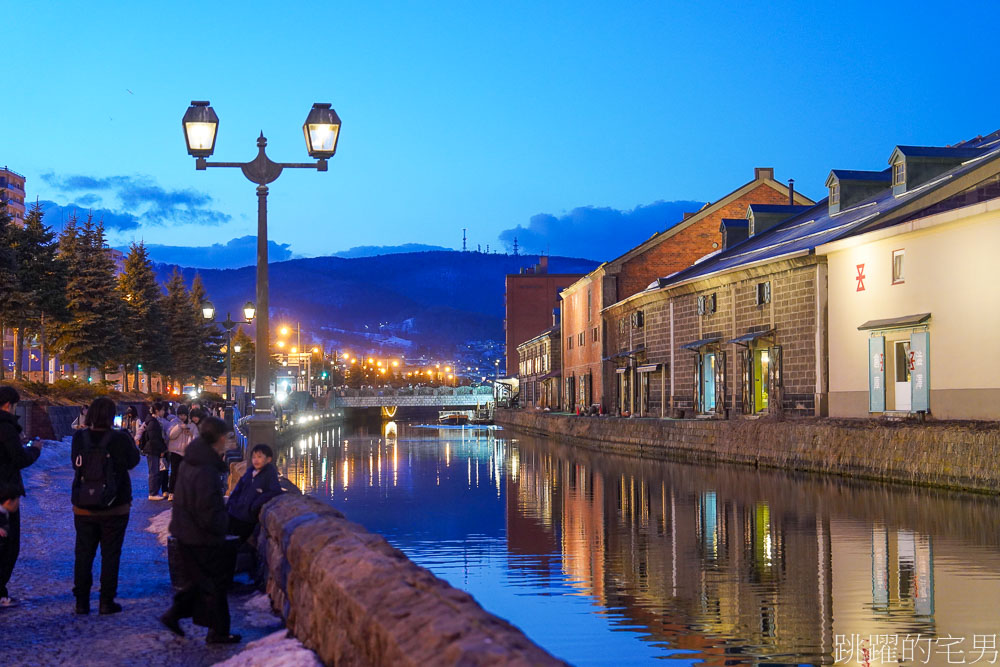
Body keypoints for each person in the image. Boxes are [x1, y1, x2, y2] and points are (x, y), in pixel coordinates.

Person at [160, 416, 241, 643]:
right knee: (214, 584)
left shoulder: (193, 458)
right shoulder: (205, 468)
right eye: (226, 437)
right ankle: (218, 632)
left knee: (200, 582)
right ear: (220, 438)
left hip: (186, 531)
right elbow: (207, 507)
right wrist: (221, 527)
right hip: (199, 535)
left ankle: (177, 616)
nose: (227, 441)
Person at [70, 396, 141, 615]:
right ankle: (106, 601)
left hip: (84, 505)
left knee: (83, 553)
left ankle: (81, 602)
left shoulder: (80, 437)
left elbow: (75, 464)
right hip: (115, 505)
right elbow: (133, 461)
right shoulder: (120, 438)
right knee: (111, 554)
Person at [0, 386, 42, 608]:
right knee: (8, 546)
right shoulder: (6, 428)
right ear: (9, 404)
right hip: (5, 495)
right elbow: (18, 459)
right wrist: (35, 449)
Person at [226, 444, 282, 541]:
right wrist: (231, 502)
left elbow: (275, 490)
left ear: (268, 459)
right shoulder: (249, 472)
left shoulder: (270, 473)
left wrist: (256, 504)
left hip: (248, 516)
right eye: (254, 457)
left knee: (237, 539)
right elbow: (238, 489)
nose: (256, 460)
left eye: (259, 457)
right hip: (236, 511)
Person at [166, 405, 197, 501]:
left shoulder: (192, 425)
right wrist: (179, 428)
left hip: (186, 452)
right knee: (174, 472)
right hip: (175, 451)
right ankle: (171, 492)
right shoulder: (174, 423)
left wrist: (190, 434)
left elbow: (195, 437)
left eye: (184, 415)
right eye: (180, 415)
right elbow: (170, 435)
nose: (182, 417)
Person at [139, 402, 168, 500]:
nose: (164, 412)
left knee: (155, 471)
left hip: (152, 449)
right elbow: (154, 438)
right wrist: (162, 448)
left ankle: (154, 492)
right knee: (154, 471)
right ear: (157, 411)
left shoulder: (152, 421)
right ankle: (152, 493)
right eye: (162, 410)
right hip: (152, 450)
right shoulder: (153, 422)